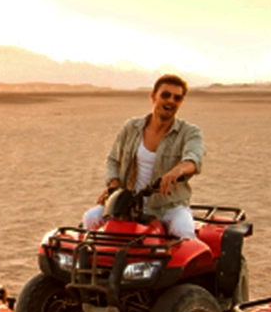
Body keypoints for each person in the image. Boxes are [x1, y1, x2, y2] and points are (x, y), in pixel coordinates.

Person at [85, 75, 205, 238]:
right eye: (165, 95)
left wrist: (178, 170)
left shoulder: (189, 132)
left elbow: (194, 157)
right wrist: (114, 187)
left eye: (177, 98)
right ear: (153, 96)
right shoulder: (131, 127)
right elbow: (113, 160)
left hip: (169, 207)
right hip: (131, 203)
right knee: (91, 218)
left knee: (183, 232)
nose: (170, 101)